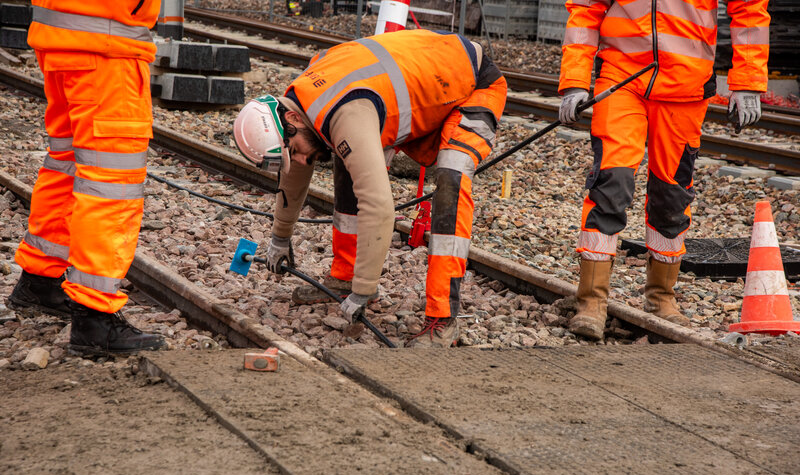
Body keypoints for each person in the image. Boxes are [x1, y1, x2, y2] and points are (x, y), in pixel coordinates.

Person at [233, 29, 507, 347]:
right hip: (430, 75)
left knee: (451, 179)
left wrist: (364, 290)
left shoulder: (344, 115)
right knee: (342, 154)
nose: (301, 160)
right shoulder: (301, 103)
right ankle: (343, 277)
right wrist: (279, 238)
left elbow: (379, 207)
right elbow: (295, 173)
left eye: (292, 150)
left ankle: (442, 318)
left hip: (471, 84)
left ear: (291, 117)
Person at [558, 0, 770, 340]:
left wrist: (748, 82)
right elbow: (585, 7)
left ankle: (661, 298)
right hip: (622, 76)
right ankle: (591, 303)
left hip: (686, 86)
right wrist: (574, 79)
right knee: (612, 182)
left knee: (671, 194)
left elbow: (750, 9)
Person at [6, 0, 165, 356]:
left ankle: (40, 281)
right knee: (111, 182)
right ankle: (95, 318)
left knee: (67, 164)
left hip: (60, 36)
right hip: (107, 44)